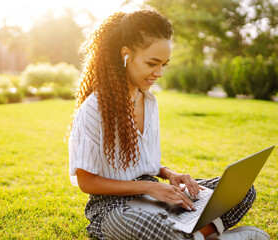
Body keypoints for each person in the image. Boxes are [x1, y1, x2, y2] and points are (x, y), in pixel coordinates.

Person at [68, 9, 270, 240]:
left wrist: (168, 174)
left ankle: (193, 236)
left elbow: (143, 164)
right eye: (152, 63)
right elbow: (86, 182)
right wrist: (148, 188)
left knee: (241, 191)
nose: (160, 73)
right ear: (126, 54)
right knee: (155, 227)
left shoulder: (149, 101)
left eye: (164, 64)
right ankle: (209, 236)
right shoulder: (94, 108)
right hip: (113, 208)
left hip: (155, 196)